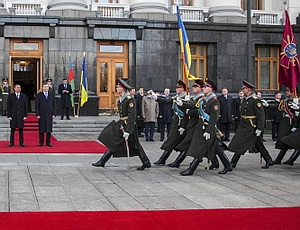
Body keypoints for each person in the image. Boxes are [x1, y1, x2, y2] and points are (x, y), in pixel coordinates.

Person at [92, 78, 151, 170]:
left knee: (135, 145)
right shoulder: (121, 99)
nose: (116, 88)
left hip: (128, 125)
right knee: (114, 140)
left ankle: (146, 162)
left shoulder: (129, 99)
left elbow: (132, 116)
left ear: (123, 88)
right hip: (122, 123)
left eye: (118, 87)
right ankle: (102, 161)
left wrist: (128, 131)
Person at [228, 80, 274, 169]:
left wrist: (259, 128)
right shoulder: (244, 100)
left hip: (251, 126)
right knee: (257, 144)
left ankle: (233, 162)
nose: (242, 90)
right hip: (244, 125)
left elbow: (261, 116)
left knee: (242, 143)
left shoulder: (255, 101)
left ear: (249, 89)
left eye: (244, 88)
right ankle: (269, 160)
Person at [179, 79, 221, 176]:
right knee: (215, 148)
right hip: (201, 126)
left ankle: (191, 168)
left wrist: (209, 131)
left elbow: (214, 118)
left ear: (211, 89)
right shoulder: (204, 99)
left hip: (207, 128)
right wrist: (183, 104)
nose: (203, 88)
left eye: (205, 87)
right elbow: (195, 106)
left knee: (200, 149)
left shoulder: (214, 102)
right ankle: (227, 165)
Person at [168, 79, 204, 168]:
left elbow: (198, 111)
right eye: (193, 86)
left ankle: (178, 162)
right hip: (191, 124)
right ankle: (220, 163)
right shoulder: (194, 98)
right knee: (211, 146)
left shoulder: (201, 98)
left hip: (198, 124)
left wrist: (188, 110)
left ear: (201, 88)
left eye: (196, 86)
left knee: (188, 143)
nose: (193, 88)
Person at [153, 80, 187, 165]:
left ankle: (175, 161)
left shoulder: (185, 98)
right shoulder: (177, 97)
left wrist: (183, 126)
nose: (176, 89)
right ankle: (163, 159)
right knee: (172, 141)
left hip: (183, 124)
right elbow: (167, 101)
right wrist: (156, 98)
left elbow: (186, 113)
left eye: (178, 88)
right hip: (176, 123)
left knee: (186, 144)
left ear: (183, 89)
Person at [273, 88, 298, 164]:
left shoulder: (294, 100)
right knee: (285, 140)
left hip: (292, 122)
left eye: (288, 91)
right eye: (286, 91)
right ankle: (280, 159)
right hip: (287, 122)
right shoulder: (286, 100)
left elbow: (296, 114)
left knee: (294, 142)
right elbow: (278, 107)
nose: (286, 92)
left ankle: (291, 159)